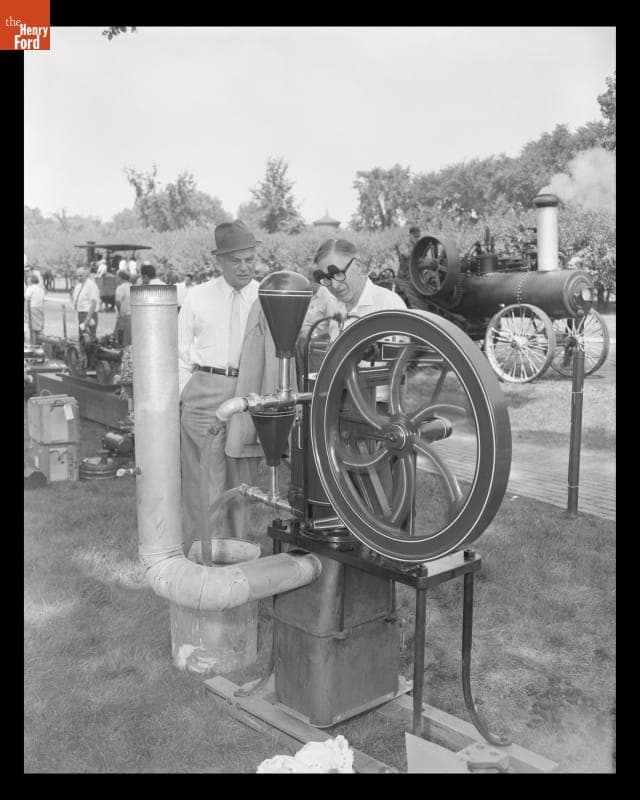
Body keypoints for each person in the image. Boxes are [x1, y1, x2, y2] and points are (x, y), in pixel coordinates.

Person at [178, 220, 263, 555]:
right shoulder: (197, 297)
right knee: (204, 481)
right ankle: (199, 559)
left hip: (249, 394)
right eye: (235, 261)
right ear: (219, 261)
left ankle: (238, 557)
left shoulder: (264, 296)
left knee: (242, 484)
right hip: (205, 391)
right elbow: (179, 352)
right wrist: (188, 393)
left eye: (249, 259)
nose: (244, 267)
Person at [71, 265, 100, 345]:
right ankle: (83, 355)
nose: (79, 278)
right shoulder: (78, 286)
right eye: (77, 276)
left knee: (89, 338)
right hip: (81, 314)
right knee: (82, 337)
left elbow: (94, 302)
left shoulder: (91, 285)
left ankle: (91, 356)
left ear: (86, 275)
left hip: (89, 314)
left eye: (81, 276)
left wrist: (88, 318)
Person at [25, 275, 46, 345]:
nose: (27, 281)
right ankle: (40, 343)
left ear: (31, 281)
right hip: (40, 308)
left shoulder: (30, 288)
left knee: (33, 328)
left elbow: (27, 298)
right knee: (39, 327)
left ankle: (33, 345)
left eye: (28, 280)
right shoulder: (41, 289)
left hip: (33, 308)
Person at [114, 270, 132, 346]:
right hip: (133, 315)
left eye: (117, 277)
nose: (116, 279)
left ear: (120, 278)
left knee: (121, 337)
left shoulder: (120, 288)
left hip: (124, 315)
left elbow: (118, 301)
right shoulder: (133, 286)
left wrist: (119, 312)